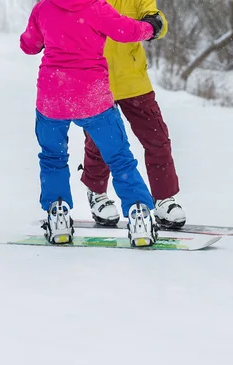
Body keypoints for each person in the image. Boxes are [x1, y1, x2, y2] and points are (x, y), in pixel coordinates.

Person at [20, 0, 164, 247]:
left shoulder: (43, 7)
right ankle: (139, 216)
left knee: (53, 158)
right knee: (119, 158)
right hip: (92, 96)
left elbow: (29, 46)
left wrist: (48, 35)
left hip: (53, 96)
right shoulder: (97, 7)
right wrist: (151, 27)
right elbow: (126, 32)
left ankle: (58, 217)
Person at [80, 0, 186, 229]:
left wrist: (155, 24)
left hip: (134, 82)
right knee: (98, 144)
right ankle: (97, 193)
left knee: (157, 139)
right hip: (96, 79)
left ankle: (164, 199)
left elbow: (155, 17)